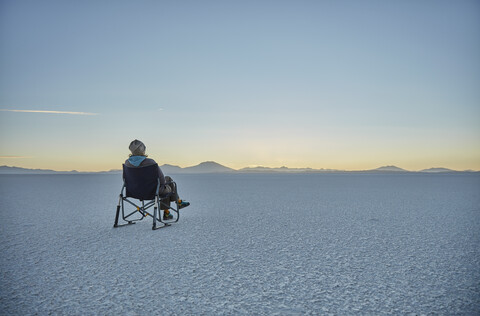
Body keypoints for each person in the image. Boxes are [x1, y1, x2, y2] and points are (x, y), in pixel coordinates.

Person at [125, 139, 190, 220]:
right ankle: (175, 205)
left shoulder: (127, 163)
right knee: (167, 181)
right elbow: (162, 180)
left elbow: (125, 180)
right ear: (142, 149)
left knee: (164, 184)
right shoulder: (150, 162)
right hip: (152, 192)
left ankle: (170, 211)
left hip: (134, 192)